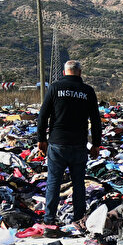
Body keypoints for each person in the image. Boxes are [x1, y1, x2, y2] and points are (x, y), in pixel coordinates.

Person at [36, 60, 103, 226]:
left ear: (64, 73)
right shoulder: (87, 91)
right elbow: (95, 120)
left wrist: (41, 139)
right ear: (80, 72)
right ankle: (79, 219)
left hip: (57, 144)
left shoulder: (55, 88)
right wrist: (96, 144)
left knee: (53, 182)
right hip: (79, 144)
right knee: (78, 184)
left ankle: (49, 220)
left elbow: (43, 116)